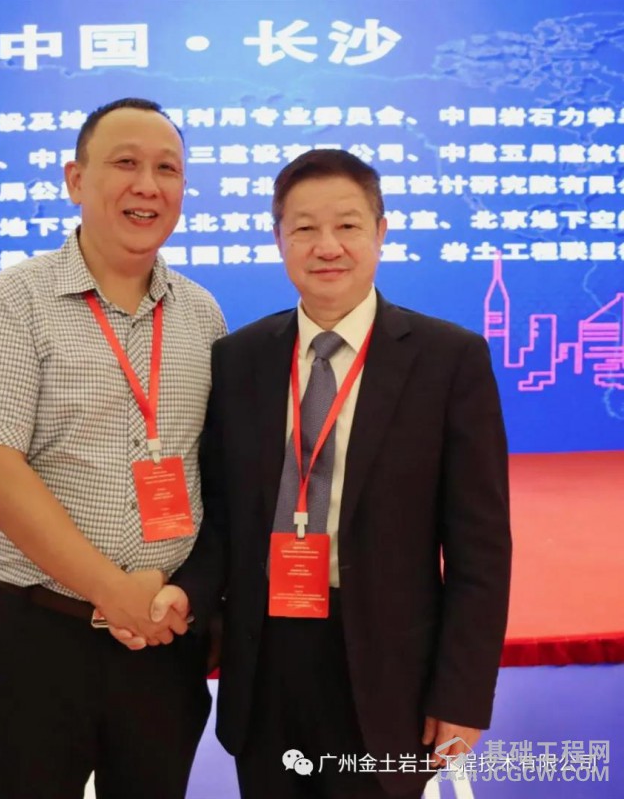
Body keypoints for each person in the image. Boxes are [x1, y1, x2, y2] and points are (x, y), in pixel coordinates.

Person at [113, 149, 512, 798]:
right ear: (279, 239)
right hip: (266, 660)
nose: (327, 246)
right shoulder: (240, 359)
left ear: (381, 232)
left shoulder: (449, 361)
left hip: (390, 670)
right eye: (304, 228)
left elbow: (480, 551)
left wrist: (462, 693)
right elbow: (222, 517)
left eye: (347, 225)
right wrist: (188, 591)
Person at [0, 97, 226, 799]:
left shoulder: (202, 314)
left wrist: (183, 594)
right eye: (125, 163)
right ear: (75, 179)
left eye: (167, 169)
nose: (147, 185)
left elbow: (218, 477)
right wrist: (112, 591)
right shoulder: (16, 300)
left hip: (163, 638)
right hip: (36, 632)